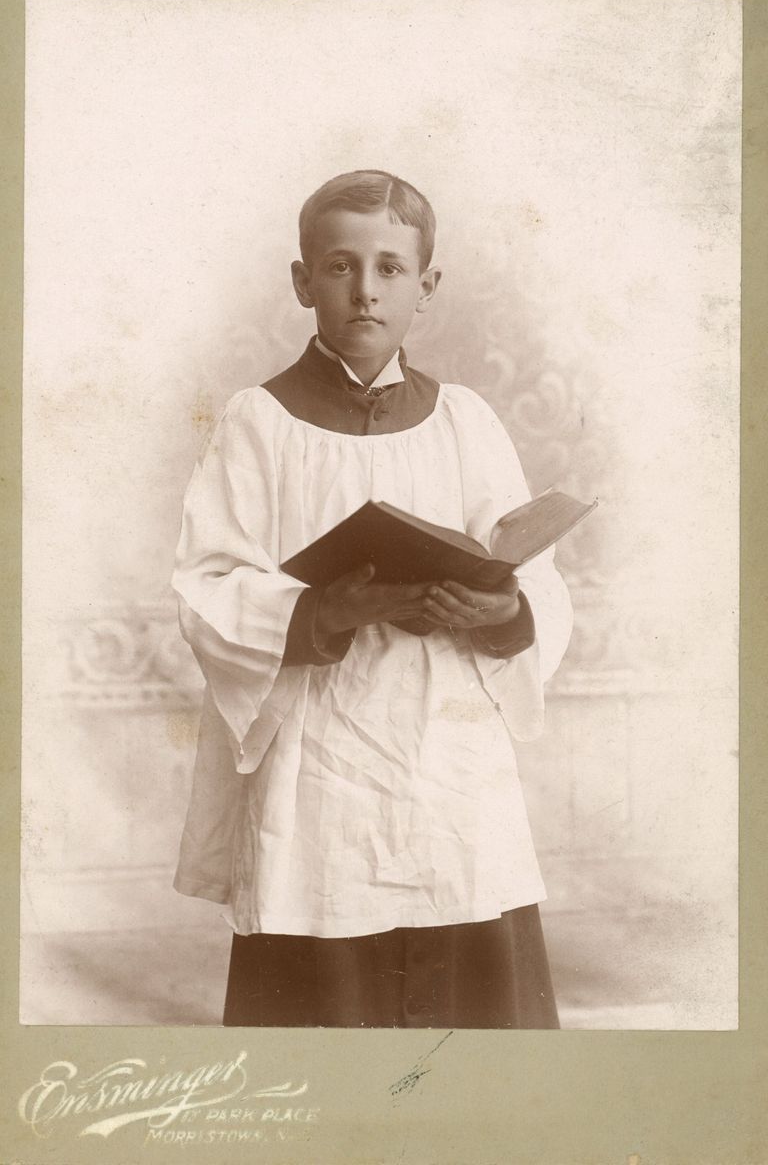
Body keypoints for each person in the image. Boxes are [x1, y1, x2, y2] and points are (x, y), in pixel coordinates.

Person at [171, 169, 574, 1029]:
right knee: (328, 971)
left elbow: (529, 568)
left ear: (426, 288)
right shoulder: (257, 422)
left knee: (470, 942)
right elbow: (207, 586)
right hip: (324, 751)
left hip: (447, 742)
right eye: (341, 266)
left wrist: (505, 612)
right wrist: (324, 612)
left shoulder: (467, 421)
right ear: (302, 280)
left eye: (391, 269)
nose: (365, 290)